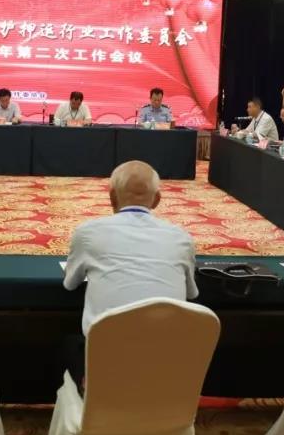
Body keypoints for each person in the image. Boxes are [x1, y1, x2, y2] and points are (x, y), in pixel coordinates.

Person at [63, 161, 198, 384]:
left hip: (106, 373)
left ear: (112, 196)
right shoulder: (182, 238)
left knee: (68, 345)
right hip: (168, 374)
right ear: (157, 199)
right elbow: (191, 293)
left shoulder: (88, 233)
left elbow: (70, 284)